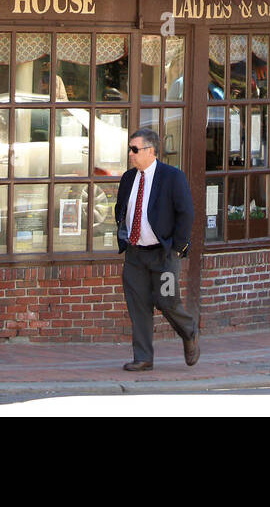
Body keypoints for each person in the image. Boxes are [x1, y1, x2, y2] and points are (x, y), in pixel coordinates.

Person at [115, 126, 199, 372]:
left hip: (163, 255)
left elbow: (186, 213)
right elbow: (122, 209)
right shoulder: (128, 178)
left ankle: (189, 331)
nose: (131, 154)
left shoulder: (172, 176)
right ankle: (143, 358)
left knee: (167, 300)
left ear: (150, 151)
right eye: (130, 149)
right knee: (138, 305)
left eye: (135, 149)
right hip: (135, 256)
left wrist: (177, 248)